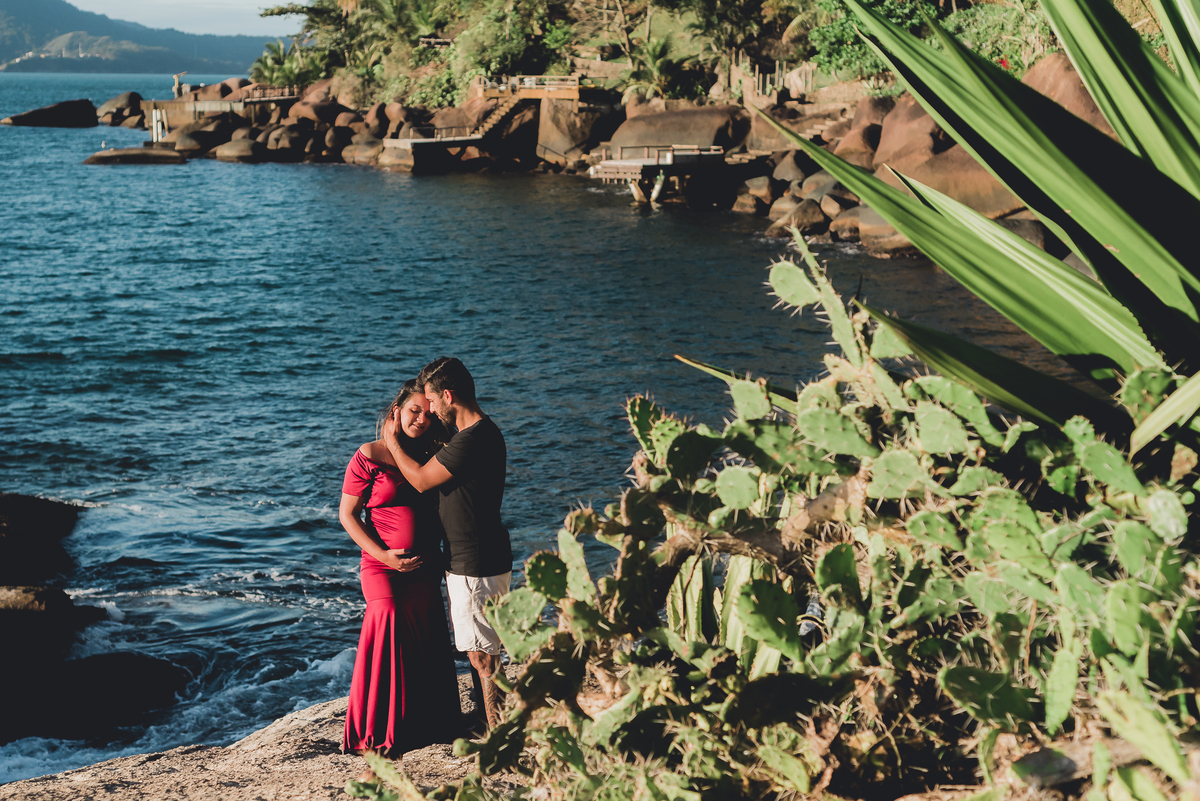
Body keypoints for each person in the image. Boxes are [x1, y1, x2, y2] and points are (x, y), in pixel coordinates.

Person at [383, 357, 512, 730]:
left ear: (449, 396)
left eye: (432, 400)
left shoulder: (472, 439)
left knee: (481, 655)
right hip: (481, 556)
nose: (430, 409)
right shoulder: (479, 434)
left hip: (474, 562)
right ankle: (498, 725)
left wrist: (392, 441)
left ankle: (499, 737)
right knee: (485, 648)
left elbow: (422, 480)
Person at [339, 380, 462, 757]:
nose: (421, 419)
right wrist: (384, 556)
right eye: (413, 411)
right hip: (382, 568)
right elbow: (348, 515)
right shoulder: (369, 454)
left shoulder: (432, 456)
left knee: (425, 639)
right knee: (388, 627)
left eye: (427, 414)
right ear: (396, 411)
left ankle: (427, 725)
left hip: (425, 568)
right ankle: (379, 730)